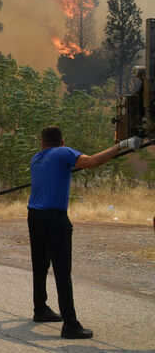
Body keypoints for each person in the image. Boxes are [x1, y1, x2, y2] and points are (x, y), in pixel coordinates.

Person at [27, 126, 141, 340]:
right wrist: (122, 145)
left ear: (42, 143)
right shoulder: (64, 153)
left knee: (40, 265)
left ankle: (40, 309)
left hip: (34, 216)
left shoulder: (36, 158)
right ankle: (70, 324)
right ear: (62, 142)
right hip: (54, 217)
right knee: (62, 270)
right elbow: (92, 162)